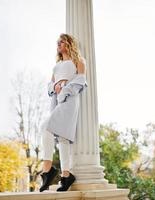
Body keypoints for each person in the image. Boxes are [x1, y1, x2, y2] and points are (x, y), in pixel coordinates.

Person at [39, 33, 88, 192]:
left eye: (62, 42)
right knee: (62, 138)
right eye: (57, 42)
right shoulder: (57, 64)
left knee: (46, 127)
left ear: (69, 44)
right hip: (55, 100)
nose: (58, 44)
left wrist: (65, 88)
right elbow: (50, 84)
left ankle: (47, 170)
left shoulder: (78, 60)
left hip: (69, 100)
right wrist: (55, 87)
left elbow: (81, 80)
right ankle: (66, 176)